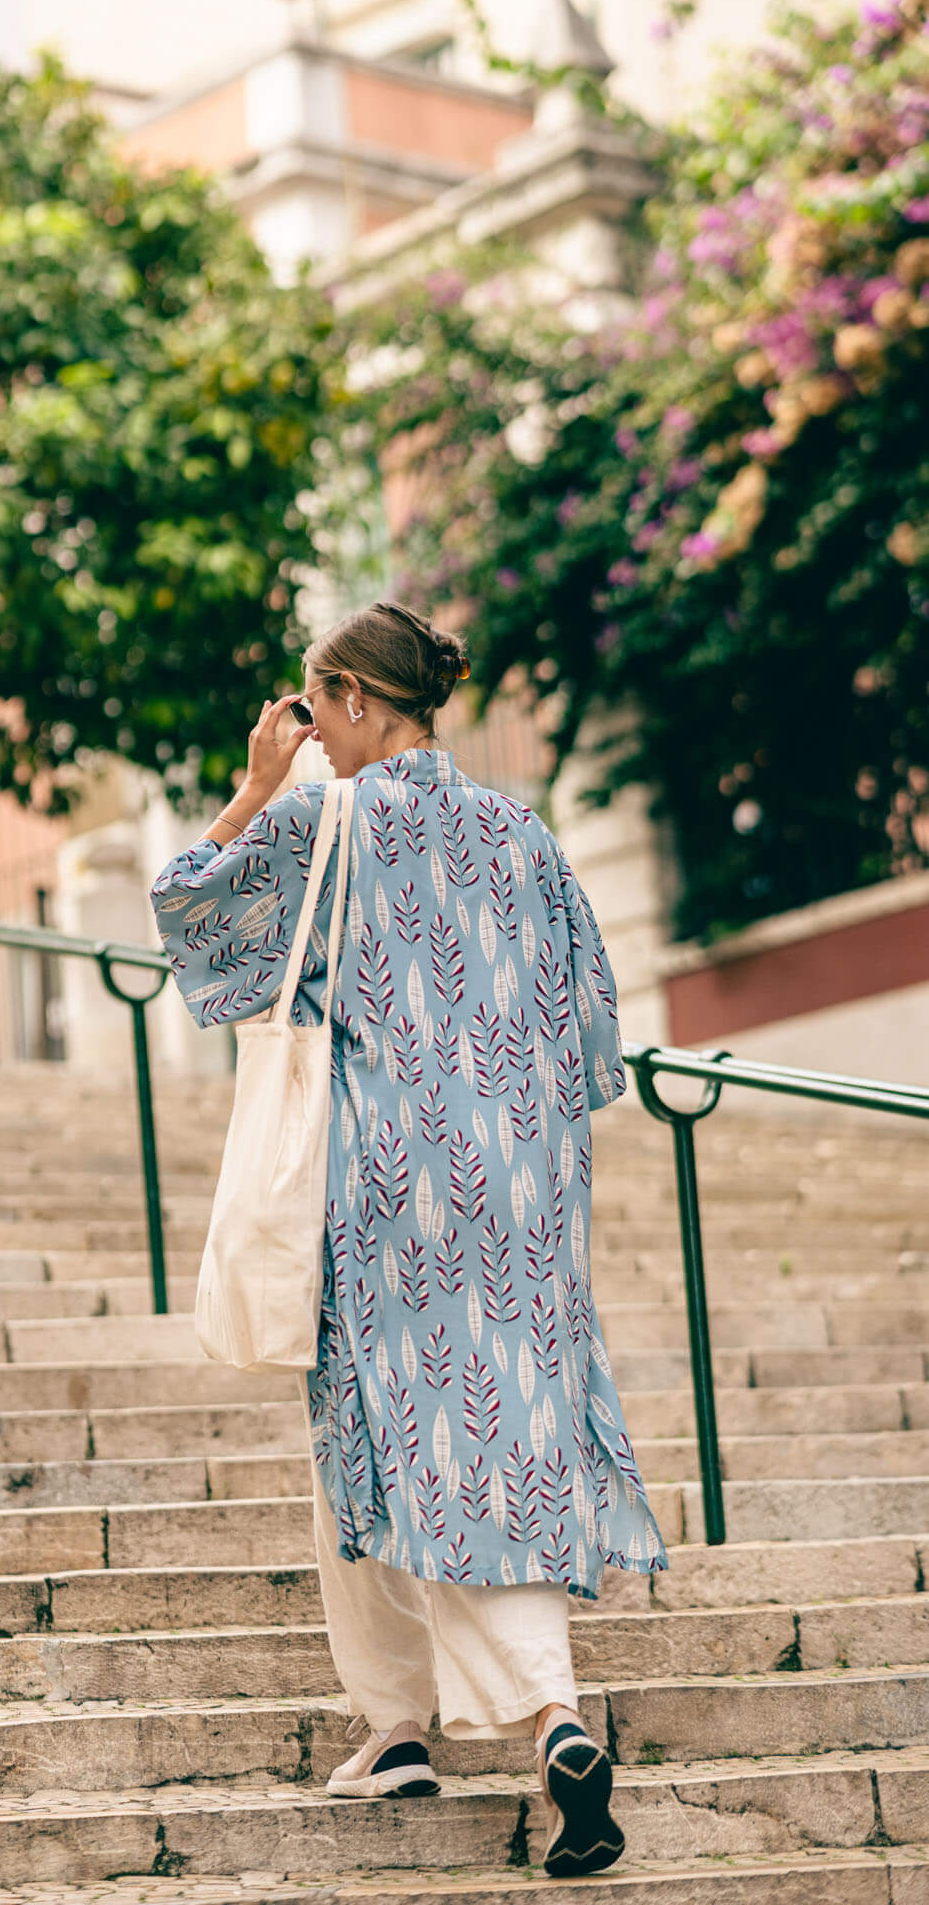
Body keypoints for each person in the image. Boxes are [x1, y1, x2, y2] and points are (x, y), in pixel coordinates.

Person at [149, 598, 669, 1879]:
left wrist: (248, 787)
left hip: (380, 1195)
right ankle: (398, 1725)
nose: (308, 727)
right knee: (491, 1439)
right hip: (520, 1193)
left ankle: (540, 1718)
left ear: (363, 703)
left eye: (316, 704)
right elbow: (592, 1023)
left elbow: (189, 920)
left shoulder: (317, 824)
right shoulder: (519, 831)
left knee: (389, 1443)